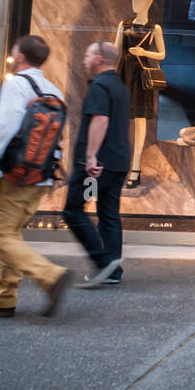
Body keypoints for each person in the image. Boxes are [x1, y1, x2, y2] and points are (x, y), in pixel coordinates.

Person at [0, 35, 73, 317]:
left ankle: (50, 276)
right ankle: (4, 299)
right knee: (10, 233)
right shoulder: (53, 90)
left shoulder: (16, 84)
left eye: (14, 52)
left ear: (20, 56)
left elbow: (3, 126)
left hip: (14, 176)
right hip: (40, 177)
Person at [65, 42, 132, 288]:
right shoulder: (121, 88)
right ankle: (113, 270)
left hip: (97, 166)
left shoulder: (100, 86)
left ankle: (104, 263)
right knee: (108, 213)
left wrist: (91, 157)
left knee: (72, 210)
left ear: (99, 59)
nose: (84, 60)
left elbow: (101, 120)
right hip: (118, 162)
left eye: (87, 54)